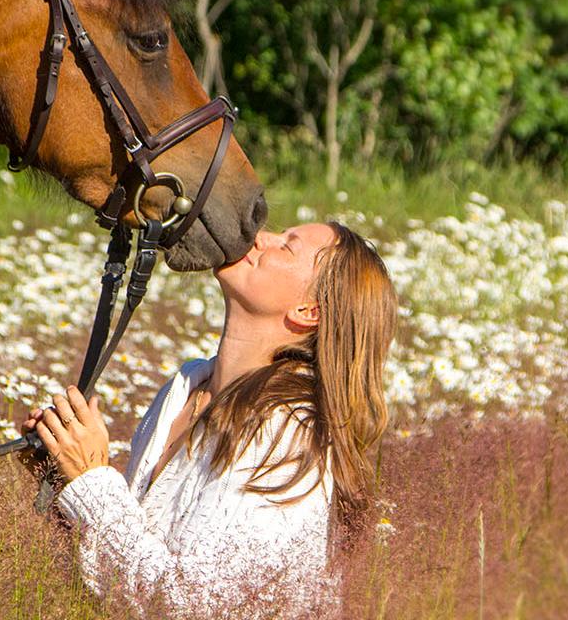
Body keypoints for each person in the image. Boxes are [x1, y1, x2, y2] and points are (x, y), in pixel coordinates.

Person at [20, 221, 398, 618]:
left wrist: (92, 483)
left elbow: (194, 608)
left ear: (308, 311)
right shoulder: (186, 389)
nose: (259, 236)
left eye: (287, 246)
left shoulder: (290, 434)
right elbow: (125, 584)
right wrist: (65, 481)